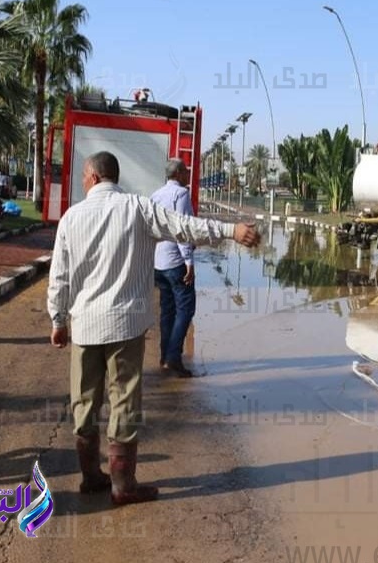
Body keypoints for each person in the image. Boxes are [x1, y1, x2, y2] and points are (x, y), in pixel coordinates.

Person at [47, 151, 262, 505]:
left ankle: (90, 477)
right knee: (124, 402)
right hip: (126, 326)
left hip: (84, 328)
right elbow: (185, 226)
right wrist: (231, 231)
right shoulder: (137, 208)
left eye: (84, 177)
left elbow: (60, 276)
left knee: (84, 402)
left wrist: (58, 321)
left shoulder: (71, 218)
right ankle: (122, 485)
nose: (83, 183)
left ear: (94, 176)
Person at [151, 159, 198, 378]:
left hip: (158, 263)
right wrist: (188, 261)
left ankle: (164, 356)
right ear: (178, 173)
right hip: (175, 261)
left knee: (167, 311)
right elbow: (183, 229)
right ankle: (173, 357)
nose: (188, 174)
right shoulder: (181, 195)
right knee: (186, 309)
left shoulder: (156, 195)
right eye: (186, 171)